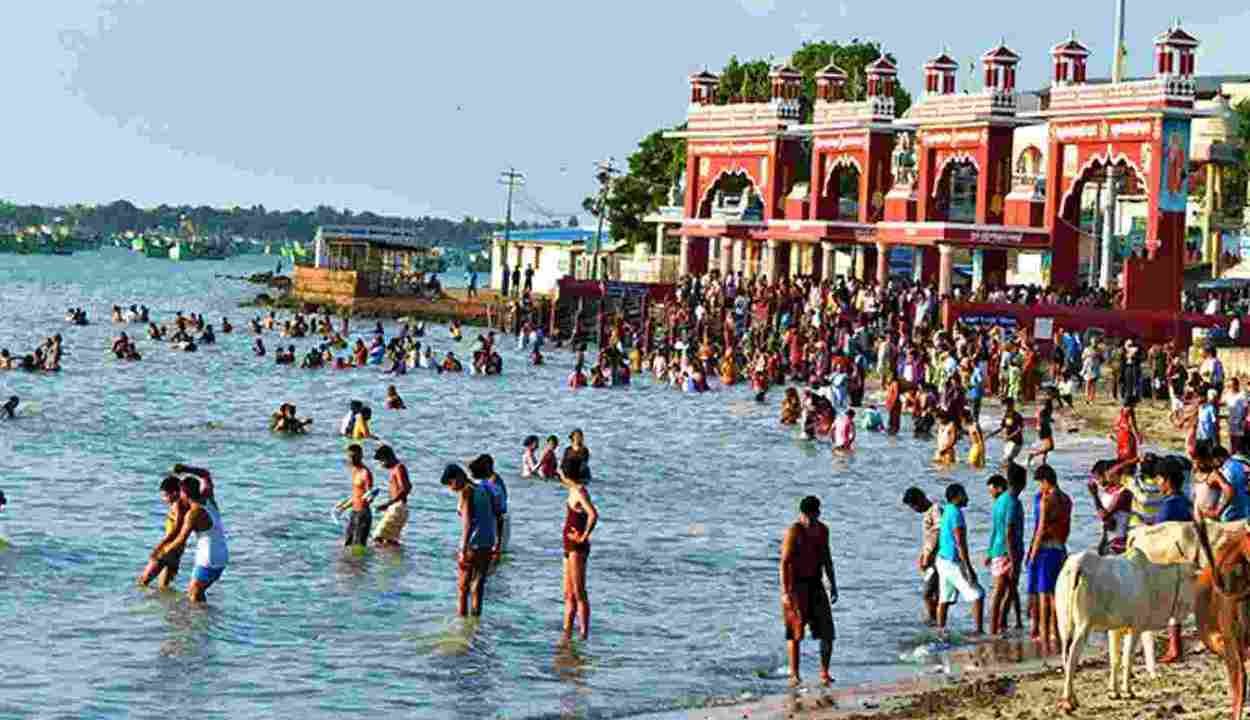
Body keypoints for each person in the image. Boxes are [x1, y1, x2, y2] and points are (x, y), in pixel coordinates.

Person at [779, 495, 837, 687]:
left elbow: (827, 558)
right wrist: (785, 592)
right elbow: (784, 562)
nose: (809, 520)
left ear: (818, 513)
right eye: (806, 516)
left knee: (827, 632)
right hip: (796, 586)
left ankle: (824, 672)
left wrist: (833, 584)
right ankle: (794, 674)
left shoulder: (822, 530)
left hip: (816, 584)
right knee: (795, 632)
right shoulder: (794, 531)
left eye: (813, 516)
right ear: (801, 514)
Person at [152, 475, 228, 602]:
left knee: (194, 594)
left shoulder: (193, 514)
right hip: (222, 555)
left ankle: (203, 620)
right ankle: (207, 619)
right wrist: (186, 469)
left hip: (208, 558)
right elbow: (206, 475)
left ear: (185, 493)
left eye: (180, 492)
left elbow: (181, 539)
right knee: (196, 593)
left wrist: (162, 551)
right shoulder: (209, 501)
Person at [442, 463, 502, 617]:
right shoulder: (484, 488)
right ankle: (475, 622)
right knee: (478, 583)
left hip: (473, 543)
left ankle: (462, 624)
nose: (451, 488)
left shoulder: (466, 491)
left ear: (458, 478)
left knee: (463, 588)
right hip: (487, 541)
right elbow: (496, 514)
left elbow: (467, 522)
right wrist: (497, 542)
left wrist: (462, 548)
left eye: (450, 483)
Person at [1026, 464, 1071, 652]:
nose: (1039, 488)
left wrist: (1032, 554)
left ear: (1045, 481)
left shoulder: (1046, 501)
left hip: (1044, 550)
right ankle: (1057, 634)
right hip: (1059, 548)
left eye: (1039, 484)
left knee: (1044, 597)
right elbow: (1065, 528)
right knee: (1056, 596)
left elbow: (1040, 530)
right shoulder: (1067, 500)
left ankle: (1044, 637)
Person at [935, 483, 984, 635]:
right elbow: (960, 543)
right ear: (956, 497)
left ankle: (940, 630)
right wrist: (968, 567)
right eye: (964, 494)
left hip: (942, 560)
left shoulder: (948, 511)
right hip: (952, 561)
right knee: (977, 594)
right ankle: (978, 631)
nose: (967, 497)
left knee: (944, 598)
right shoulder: (956, 513)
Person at [561, 455, 599, 640]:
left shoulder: (580, 492)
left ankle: (584, 634)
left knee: (579, 592)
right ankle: (567, 632)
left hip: (577, 546)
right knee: (568, 593)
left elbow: (593, 514)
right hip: (568, 546)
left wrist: (584, 536)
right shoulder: (573, 488)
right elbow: (562, 477)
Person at [137, 475, 186, 589]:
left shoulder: (177, 505)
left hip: (168, 549)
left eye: (165, 495)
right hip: (178, 550)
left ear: (174, 493)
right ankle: (167, 606)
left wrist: (159, 546)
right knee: (164, 587)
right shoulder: (184, 505)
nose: (164, 499)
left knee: (143, 582)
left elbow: (176, 529)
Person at [902, 487, 942, 625]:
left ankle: (934, 621)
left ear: (920, 499)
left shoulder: (935, 509)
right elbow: (929, 538)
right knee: (934, 593)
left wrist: (928, 554)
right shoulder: (928, 513)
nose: (914, 509)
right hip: (931, 558)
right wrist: (922, 555)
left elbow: (938, 532)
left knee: (928, 593)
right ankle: (936, 620)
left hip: (937, 559)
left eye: (913, 505)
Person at [984, 475, 1016, 636]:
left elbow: (996, 530)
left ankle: (998, 626)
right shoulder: (1008, 501)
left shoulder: (998, 503)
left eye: (991, 489)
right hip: (1005, 551)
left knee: (1004, 590)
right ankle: (996, 627)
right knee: (1001, 591)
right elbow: (1007, 530)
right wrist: (1012, 554)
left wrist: (989, 552)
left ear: (999, 487)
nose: (990, 493)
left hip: (998, 550)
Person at [470, 454, 509, 557]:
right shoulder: (491, 480)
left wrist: (498, 541)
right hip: (498, 521)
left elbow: (499, 510)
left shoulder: (492, 481)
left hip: (496, 522)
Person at [372, 445, 410, 546]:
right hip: (398, 507)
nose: (381, 464)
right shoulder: (396, 469)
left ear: (387, 457)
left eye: (381, 461)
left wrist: (388, 504)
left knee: (377, 537)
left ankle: (386, 559)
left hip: (398, 507)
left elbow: (406, 488)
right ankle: (393, 560)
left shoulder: (398, 468)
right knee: (390, 540)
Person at [344, 444, 374, 547]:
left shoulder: (365, 473)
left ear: (361, 456)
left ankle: (361, 563)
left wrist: (370, 497)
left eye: (354, 457)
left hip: (363, 515)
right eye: (349, 457)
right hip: (353, 512)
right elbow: (356, 494)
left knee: (358, 546)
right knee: (347, 544)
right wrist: (343, 507)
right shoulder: (354, 470)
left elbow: (369, 495)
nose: (351, 460)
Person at [987, 398, 1024, 464]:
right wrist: (991, 434)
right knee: (1006, 461)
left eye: (1007, 405)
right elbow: (1002, 427)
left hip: (1017, 442)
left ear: (1012, 405)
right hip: (1008, 442)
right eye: (1004, 406)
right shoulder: (1006, 416)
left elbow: (1020, 429)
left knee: (1008, 460)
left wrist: (1010, 436)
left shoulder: (1017, 416)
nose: (1004, 408)